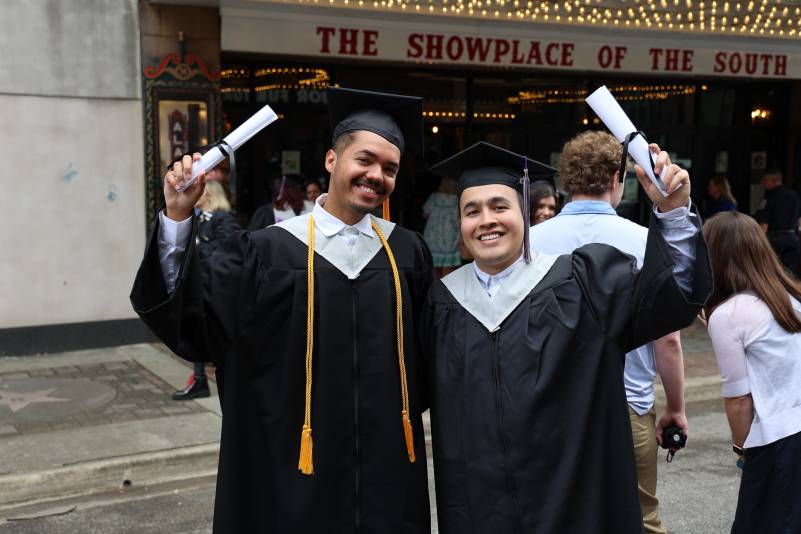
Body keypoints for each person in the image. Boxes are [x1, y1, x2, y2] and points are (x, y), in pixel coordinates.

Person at [131, 87, 433, 533]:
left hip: (384, 477)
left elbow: (430, 357)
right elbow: (195, 323)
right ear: (331, 160)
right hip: (288, 475)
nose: (377, 175)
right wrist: (177, 217)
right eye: (365, 160)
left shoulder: (407, 253)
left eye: (390, 168)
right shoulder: (264, 251)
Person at [424, 140, 711, 534]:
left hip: (569, 501)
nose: (486, 220)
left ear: (524, 213)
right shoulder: (441, 304)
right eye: (471, 211)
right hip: (478, 505)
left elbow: (674, 299)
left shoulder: (583, 284)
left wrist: (674, 211)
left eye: (500, 206)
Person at [530, 130, 687, 534]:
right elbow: (668, 339)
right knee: (641, 518)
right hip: (628, 403)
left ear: (567, 179)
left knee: (557, 518)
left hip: (551, 405)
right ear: (618, 178)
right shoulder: (646, 242)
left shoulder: (529, 242)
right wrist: (676, 407)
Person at [704, 211, 801, 534]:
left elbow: (739, 400)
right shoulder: (791, 297)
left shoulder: (728, 315)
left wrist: (741, 448)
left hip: (778, 439)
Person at [172, 180, 241, 401]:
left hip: (219, 288)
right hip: (204, 285)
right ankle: (200, 380)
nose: (195, 195)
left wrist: (195, 248)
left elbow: (228, 250)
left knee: (219, 335)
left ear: (210, 195)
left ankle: (221, 382)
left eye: (200, 191)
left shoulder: (223, 218)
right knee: (199, 331)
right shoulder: (201, 218)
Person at [755, 168, 801, 271]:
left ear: (774, 181)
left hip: (775, 240)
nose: (762, 183)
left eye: (765, 180)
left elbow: (763, 225)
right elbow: (799, 221)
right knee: (790, 274)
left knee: (773, 273)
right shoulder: (794, 196)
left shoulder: (769, 197)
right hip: (793, 239)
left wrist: (758, 243)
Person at [422, 175, 461, 277]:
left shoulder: (434, 197)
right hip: (450, 239)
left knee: (433, 270)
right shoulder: (457, 200)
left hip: (433, 239)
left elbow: (425, 214)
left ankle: (436, 286)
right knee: (449, 272)